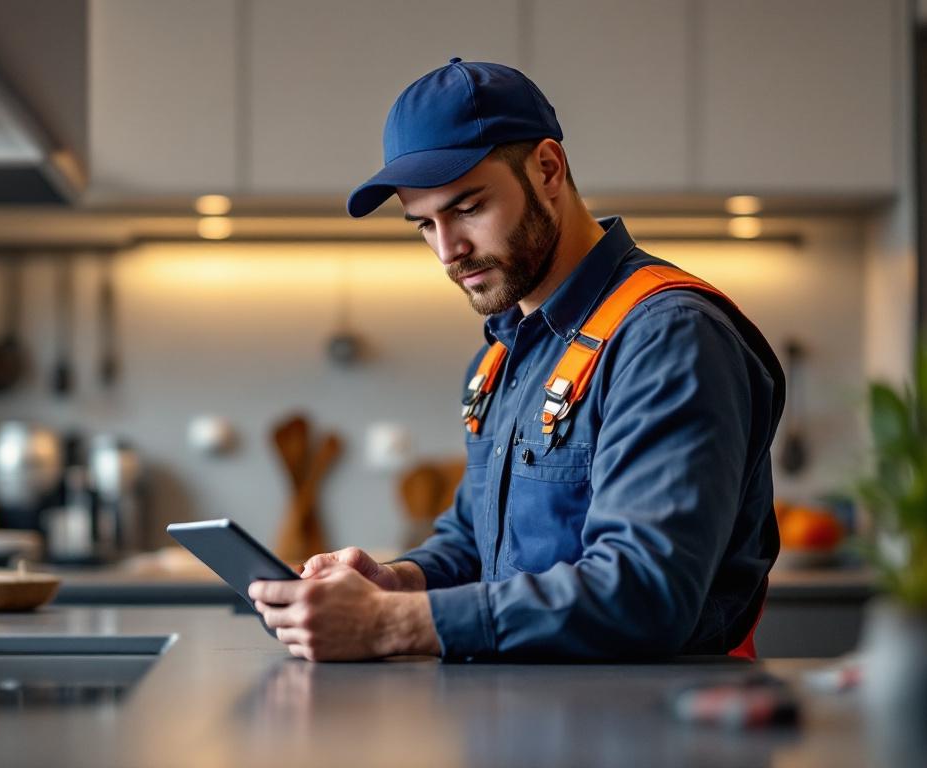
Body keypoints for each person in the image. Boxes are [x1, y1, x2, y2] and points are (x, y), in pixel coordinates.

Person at [248, 59, 785, 662]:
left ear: (548, 170)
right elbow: (473, 543)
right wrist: (396, 581)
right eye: (424, 224)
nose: (448, 251)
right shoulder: (505, 354)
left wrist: (393, 624)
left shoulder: (668, 336)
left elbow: (645, 592)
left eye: (468, 208)